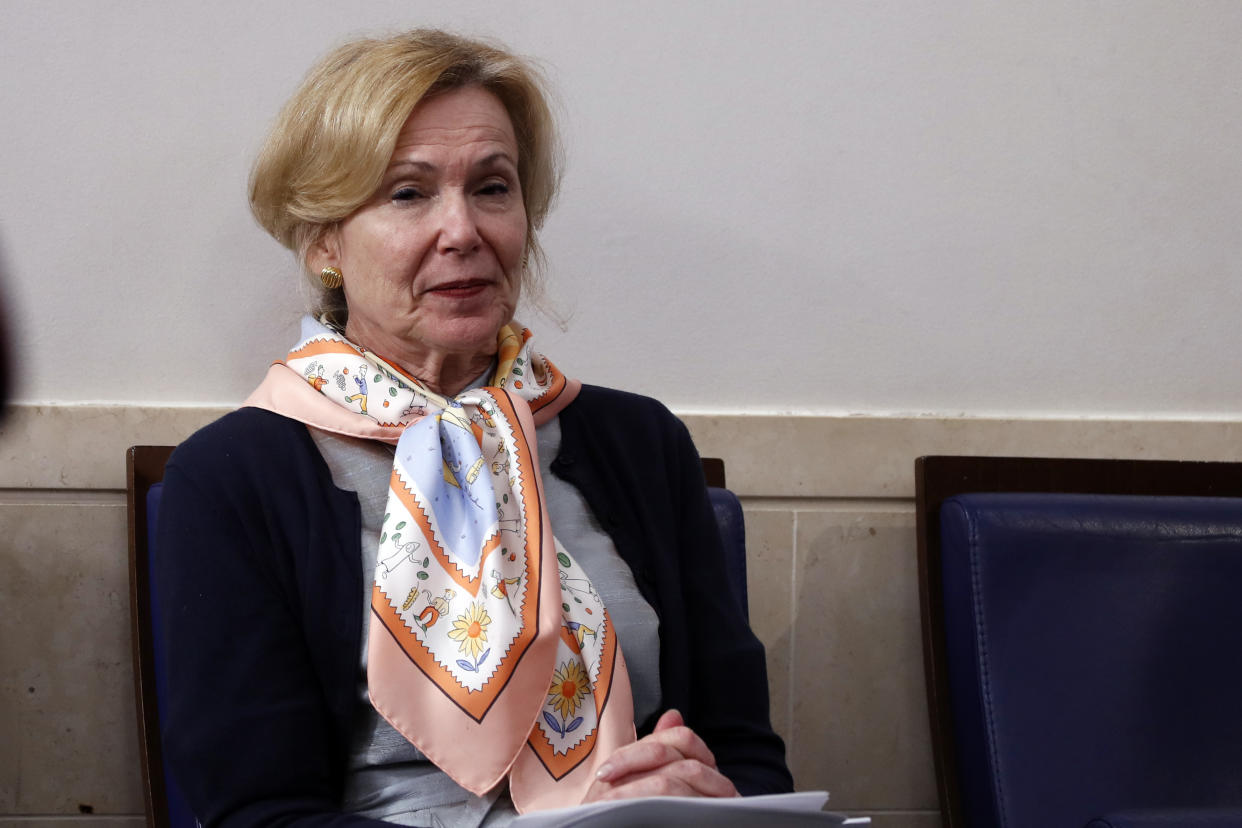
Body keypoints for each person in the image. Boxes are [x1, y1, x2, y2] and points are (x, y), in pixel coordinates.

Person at [156, 29, 791, 827]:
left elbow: (746, 753)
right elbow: (259, 814)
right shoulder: (234, 477)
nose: (463, 231)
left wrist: (713, 798)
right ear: (325, 242)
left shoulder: (641, 442)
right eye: (408, 194)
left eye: (493, 188)